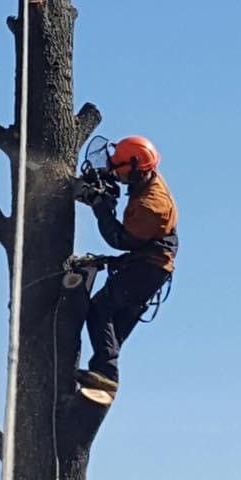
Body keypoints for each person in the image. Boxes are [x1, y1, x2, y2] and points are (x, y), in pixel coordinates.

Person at [76, 135, 178, 395]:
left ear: (135, 169)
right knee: (115, 327)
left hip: (148, 268)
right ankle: (102, 380)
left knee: (100, 310)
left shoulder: (150, 206)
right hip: (150, 264)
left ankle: (106, 374)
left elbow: (120, 239)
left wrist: (101, 208)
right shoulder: (146, 178)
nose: (115, 174)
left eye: (119, 171)